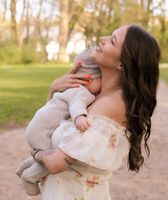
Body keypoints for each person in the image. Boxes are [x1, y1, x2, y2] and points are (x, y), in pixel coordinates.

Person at [24, 24, 160, 200]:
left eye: (112, 40)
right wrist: (55, 91)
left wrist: (36, 154)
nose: (101, 39)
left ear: (122, 63)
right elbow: (49, 126)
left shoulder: (110, 105)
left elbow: (57, 163)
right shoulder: (94, 94)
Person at [16, 47, 102, 196]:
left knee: (45, 154)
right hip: (42, 132)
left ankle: (26, 165)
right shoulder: (82, 91)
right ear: (89, 79)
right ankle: (29, 178)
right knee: (53, 157)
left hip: (37, 127)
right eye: (101, 80)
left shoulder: (70, 88)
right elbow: (77, 105)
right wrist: (80, 117)